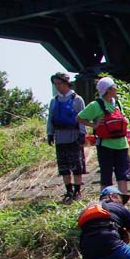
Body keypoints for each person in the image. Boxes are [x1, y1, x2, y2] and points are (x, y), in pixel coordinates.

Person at [77, 77, 130, 198]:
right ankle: (105, 200)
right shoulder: (95, 105)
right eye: (114, 86)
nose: (116, 88)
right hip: (105, 145)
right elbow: (79, 118)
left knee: (123, 175)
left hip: (122, 144)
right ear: (108, 90)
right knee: (106, 175)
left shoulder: (117, 103)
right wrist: (93, 125)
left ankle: (123, 201)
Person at [46, 72, 86, 202]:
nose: (57, 86)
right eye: (55, 84)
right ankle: (68, 191)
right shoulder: (54, 101)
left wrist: (82, 134)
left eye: (60, 83)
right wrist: (50, 134)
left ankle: (77, 191)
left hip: (74, 136)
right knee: (64, 167)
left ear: (66, 83)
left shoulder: (77, 99)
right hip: (60, 137)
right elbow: (50, 119)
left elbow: (82, 118)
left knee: (77, 166)